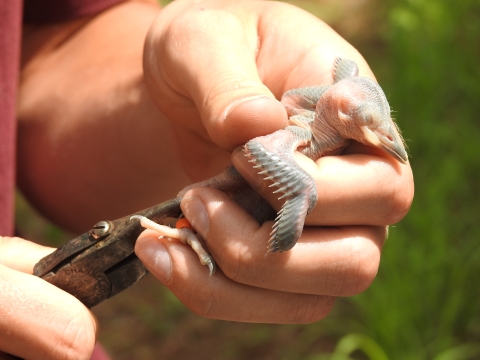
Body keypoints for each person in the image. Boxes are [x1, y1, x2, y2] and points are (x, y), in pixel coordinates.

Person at [0, 0, 414, 359]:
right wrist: (299, 193)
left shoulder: (311, 115)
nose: (387, 139)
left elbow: (49, 44)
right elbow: (260, 151)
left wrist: (179, 114)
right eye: (370, 124)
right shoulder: (301, 132)